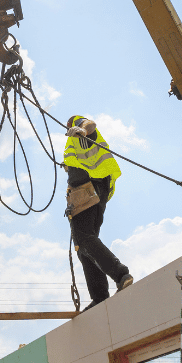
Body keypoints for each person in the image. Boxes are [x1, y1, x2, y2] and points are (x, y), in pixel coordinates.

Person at [63, 115, 133, 311]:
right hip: (94, 193)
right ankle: (100, 296)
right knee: (83, 246)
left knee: (84, 239)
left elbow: (89, 124)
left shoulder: (79, 127)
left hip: (88, 190)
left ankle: (120, 274)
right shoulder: (79, 140)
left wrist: (81, 129)